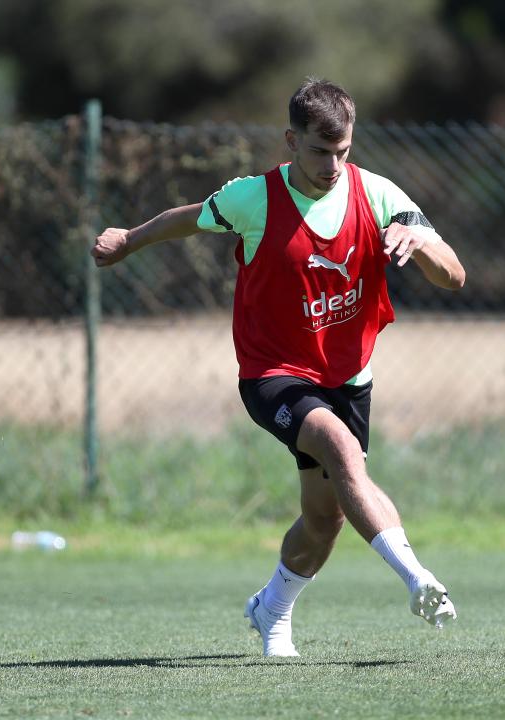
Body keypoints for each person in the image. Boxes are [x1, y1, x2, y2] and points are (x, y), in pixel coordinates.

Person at [92, 78, 466, 657]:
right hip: (273, 374)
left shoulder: (381, 195)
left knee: (325, 520)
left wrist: (417, 240)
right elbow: (184, 219)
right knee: (341, 452)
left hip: (349, 378)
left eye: (343, 151)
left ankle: (271, 609)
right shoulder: (254, 198)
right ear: (291, 140)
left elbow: (455, 275)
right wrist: (127, 241)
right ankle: (418, 579)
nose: (333, 164)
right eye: (319, 150)